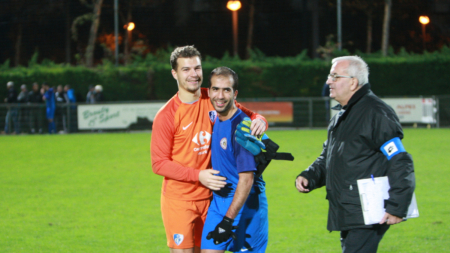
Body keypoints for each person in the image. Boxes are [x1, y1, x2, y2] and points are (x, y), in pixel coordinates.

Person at [150, 45, 267, 253]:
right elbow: (158, 164)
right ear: (174, 73)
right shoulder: (166, 115)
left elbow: (246, 113)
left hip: (214, 198)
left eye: (197, 68)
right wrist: (198, 175)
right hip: (180, 200)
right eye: (186, 69)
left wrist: (260, 119)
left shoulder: (213, 97)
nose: (193, 74)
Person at [295, 56, 415, 253]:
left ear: (353, 82)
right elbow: (329, 156)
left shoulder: (375, 112)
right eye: (329, 76)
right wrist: (310, 175)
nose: (328, 81)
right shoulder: (343, 115)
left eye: (334, 76)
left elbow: (400, 160)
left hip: (368, 209)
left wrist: (397, 206)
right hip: (349, 208)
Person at [201, 67, 268, 253]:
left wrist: (228, 221)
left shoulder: (241, 128)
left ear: (235, 93)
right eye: (215, 89)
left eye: (226, 90)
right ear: (209, 91)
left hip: (246, 206)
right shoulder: (215, 118)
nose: (220, 96)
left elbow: (247, 180)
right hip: (218, 204)